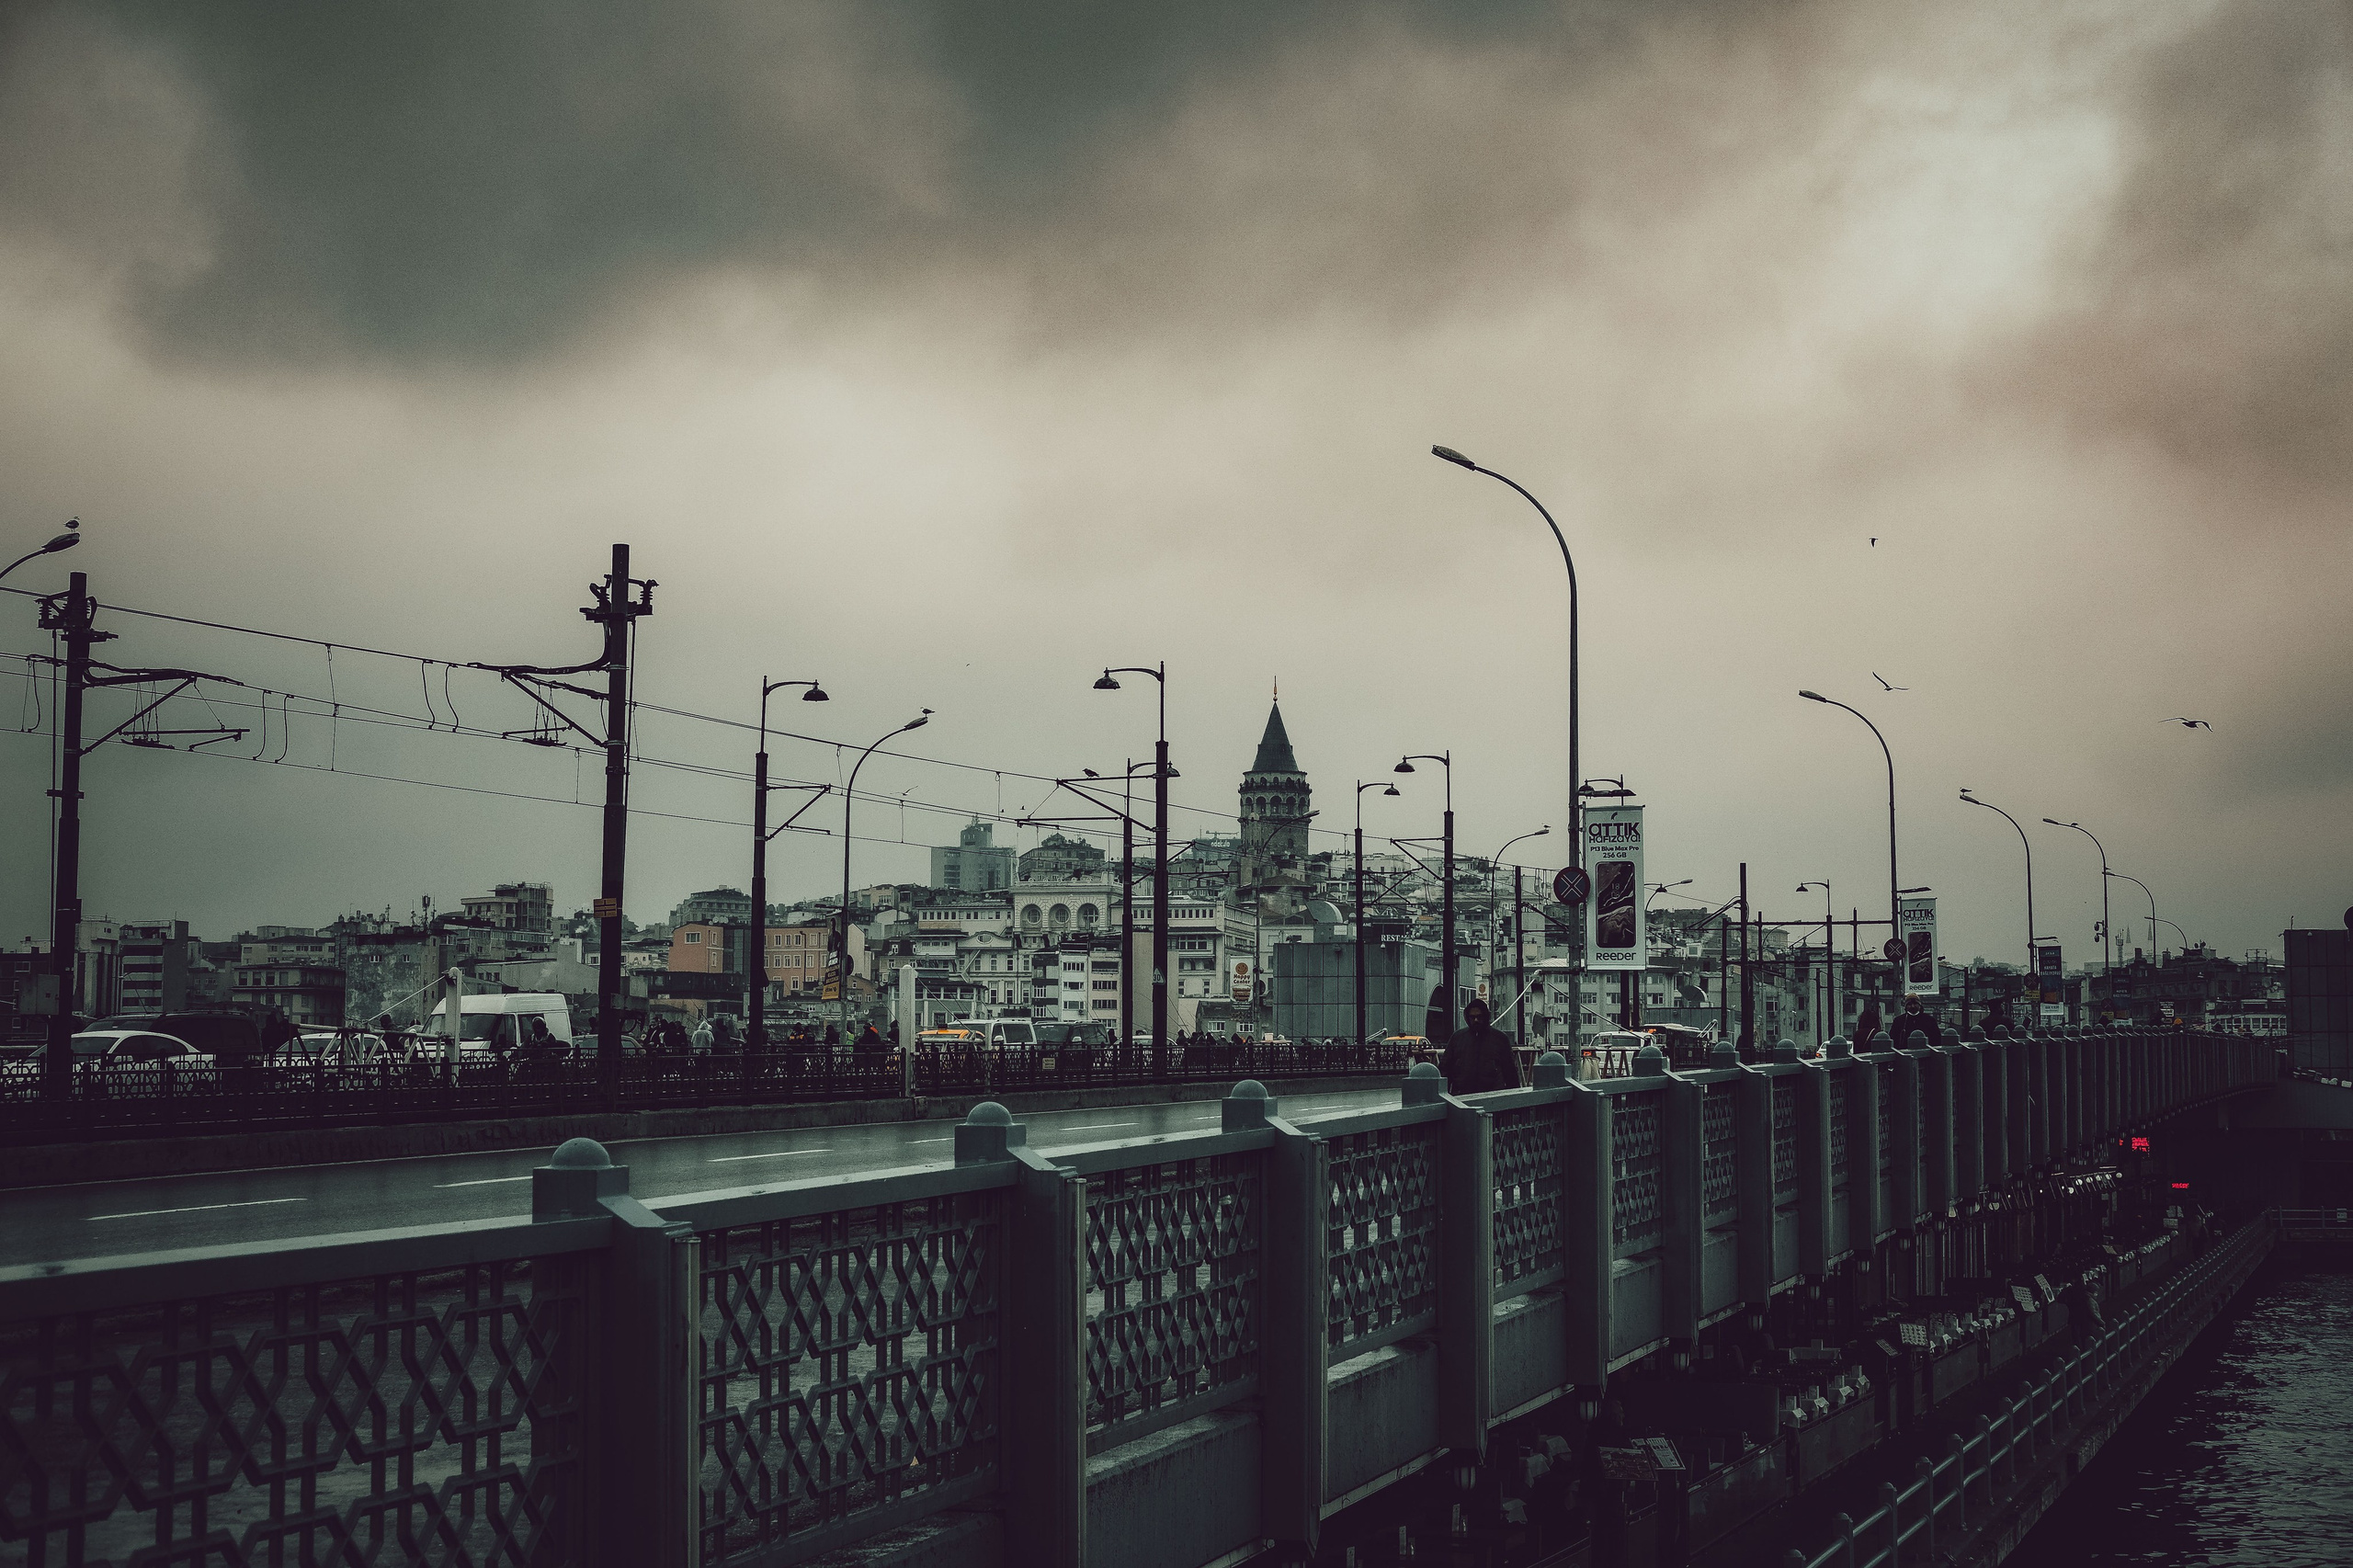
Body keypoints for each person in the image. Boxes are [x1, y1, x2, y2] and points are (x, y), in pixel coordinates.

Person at [1439, 997, 1518, 1094]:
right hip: (1463, 1098)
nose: (1476, 1020)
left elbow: (1510, 1073)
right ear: (1467, 1018)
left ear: (1485, 1016)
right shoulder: (1457, 1038)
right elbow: (1445, 1069)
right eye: (1472, 1017)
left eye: (1479, 1017)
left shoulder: (1500, 1039)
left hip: (1492, 1098)